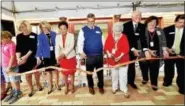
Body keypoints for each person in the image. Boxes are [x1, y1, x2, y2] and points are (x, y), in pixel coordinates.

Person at [77, 13, 104, 95]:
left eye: (92, 21)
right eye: (89, 21)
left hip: (99, 55)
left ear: (94, 20)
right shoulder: (83, 30)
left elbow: (103, 41)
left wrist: (105, 51)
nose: (91, 23)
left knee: (100, 73)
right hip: (89, 57)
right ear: (87, 21)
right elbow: (79, 43)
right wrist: (81, 52)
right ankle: (91, 87)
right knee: (89, 73)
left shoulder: (99, 29)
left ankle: (101, 87)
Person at [123, 10, 151, 89]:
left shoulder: (142, 26)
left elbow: (144, 39)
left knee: (144, 64)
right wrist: (133, 49)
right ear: (132, 17)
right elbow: (125, 39)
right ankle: (130, 82)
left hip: (140, 50)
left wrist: (145, 50)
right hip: (130, 49)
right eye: (136, 16)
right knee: (131, 66)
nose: (138, 17)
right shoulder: (125, 26)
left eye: (139, 16)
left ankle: (145, 78)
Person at [141, 16, 169, 91]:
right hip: (145, 52)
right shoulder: (142, 30)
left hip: (156, 53)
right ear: (147, 22)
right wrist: (148, 50)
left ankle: (154, 83)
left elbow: (163, 41)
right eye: (151, 22)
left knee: (155, 68)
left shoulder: (159, 30)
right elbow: (139, 42)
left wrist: (164, 50)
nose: (153, 24)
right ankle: (145, 78)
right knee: (144, 67)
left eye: (155, 22)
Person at [16, 20, 43, 97]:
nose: (22, 28)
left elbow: (33, 47)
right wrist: (18, 58)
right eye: (20, 27)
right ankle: (31, 88)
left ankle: (38, 84)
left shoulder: (34, 35)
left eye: (23, 26)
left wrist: (25, 57)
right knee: (27, 75)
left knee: (36, 72)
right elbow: (18, 48)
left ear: (27, 26)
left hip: (33, 56)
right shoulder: (19, 36)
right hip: (23, 57)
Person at [104, 22, 130, 98]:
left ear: (121, 30)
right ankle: (114, 88)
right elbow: (106, 46)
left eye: (119, 32)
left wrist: (120, 56)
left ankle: (124, 89)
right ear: (113, 30)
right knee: (114, 75)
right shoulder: (110, 36)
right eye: (116, 32)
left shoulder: (124, 36)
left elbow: (126, 48)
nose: (117, 34)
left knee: (123, 75)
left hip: (123, 59)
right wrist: (108, 53)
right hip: (112, 60)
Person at [36, 21, 60, 94]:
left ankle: (57, 84)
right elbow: (39, 46)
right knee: (49, 71)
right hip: (46, 55)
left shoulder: (54, 34)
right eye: (43, 28)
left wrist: (59, 54)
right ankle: (50, 86)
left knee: (56, 71)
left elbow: (58, 44)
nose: (44, 29)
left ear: (48, 27)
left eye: (45, 27)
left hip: (54, 54)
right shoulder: (40, 36)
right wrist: (38, 57)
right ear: (41, 28)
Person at [163, 15, 184, 95]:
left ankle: (182, 87)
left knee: (182, 71)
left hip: (182, 54)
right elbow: (162, 41)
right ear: (175, 22)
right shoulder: (167, 29)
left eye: (184, 23)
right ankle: (167, 81)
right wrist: (167, 49)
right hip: (169, 53)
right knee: (168, 68)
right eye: (180, 22)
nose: (182, 24)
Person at [1, 31, 22, 104]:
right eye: (2, 39)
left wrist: (9, 67)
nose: (3, 40)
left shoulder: (12, 45)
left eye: (4, 38)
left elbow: (12, 56)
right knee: (9, 81)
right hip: (4, 66)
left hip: (11, 66)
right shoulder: (3, 44)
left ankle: (18, 94)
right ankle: (13, 93)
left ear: (9, 38)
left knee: (14, 81)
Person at [55, 21, 76, 95]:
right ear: (59, 29)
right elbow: (57, 47)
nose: (62, 30)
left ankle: (72, 86)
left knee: (71, 73)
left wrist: (64, 54)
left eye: (64, 28)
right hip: (62, 59)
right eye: (61, 29)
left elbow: (71, 46)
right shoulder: (57, 37)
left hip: (70, 57)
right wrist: (57, 57)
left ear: (67, 29)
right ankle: (66, 86)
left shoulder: (71, 35)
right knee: (64, 73)